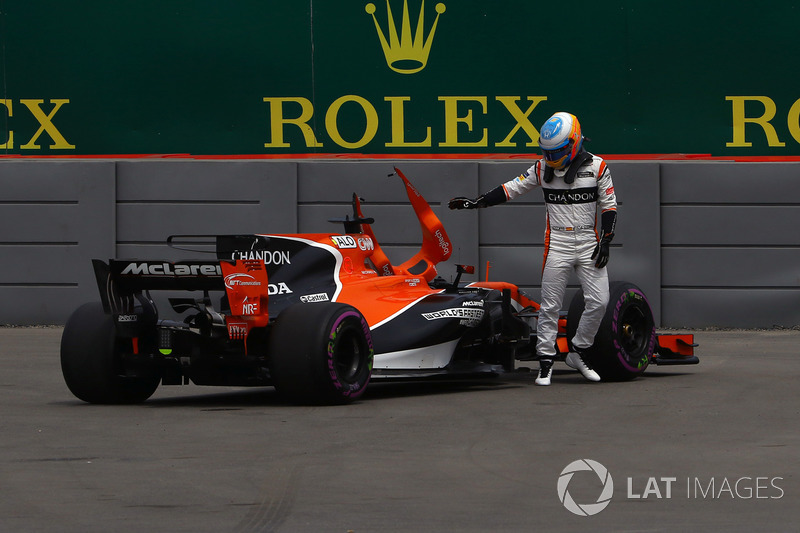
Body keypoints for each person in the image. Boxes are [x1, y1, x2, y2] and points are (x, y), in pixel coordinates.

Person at [448, 112, 617, 386]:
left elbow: (609, 205)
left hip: (589, 242)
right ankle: (546, 362)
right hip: (558, 243)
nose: (552, 157)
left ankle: (579, 350)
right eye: (548, 151)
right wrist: (475, 203)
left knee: (600, 301)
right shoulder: (541, 169)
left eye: (559, 151)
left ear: (574, 142)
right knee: (550, 306)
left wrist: (607, 240)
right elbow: (511, 188)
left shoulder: (598, 167)